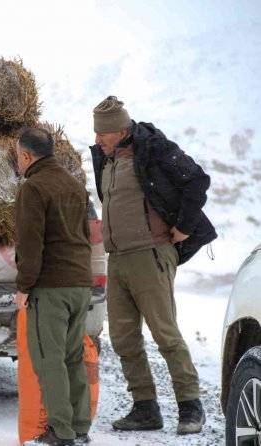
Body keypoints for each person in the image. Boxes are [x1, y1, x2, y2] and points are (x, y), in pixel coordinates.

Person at [90, 96, 217, 435]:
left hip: (151, 256)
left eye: (102, 135)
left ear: (120, 130)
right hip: (117, 259)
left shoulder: (153, 148)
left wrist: (185, 227)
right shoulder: (106, 158)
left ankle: (191, 406)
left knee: (165, 334)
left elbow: (197, 181)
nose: (97, 140)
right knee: (123, 338)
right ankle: (145, 409)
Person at [14, 127, 93, 446]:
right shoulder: (74, 185)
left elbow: (31, 244)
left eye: (17, 156)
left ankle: (61, 432)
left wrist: (24, 286)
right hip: (80, 283)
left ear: (26, 156)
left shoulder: (33, 188)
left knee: (50, 358)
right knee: (73, 356)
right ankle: (80, 425)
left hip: (51, 286)